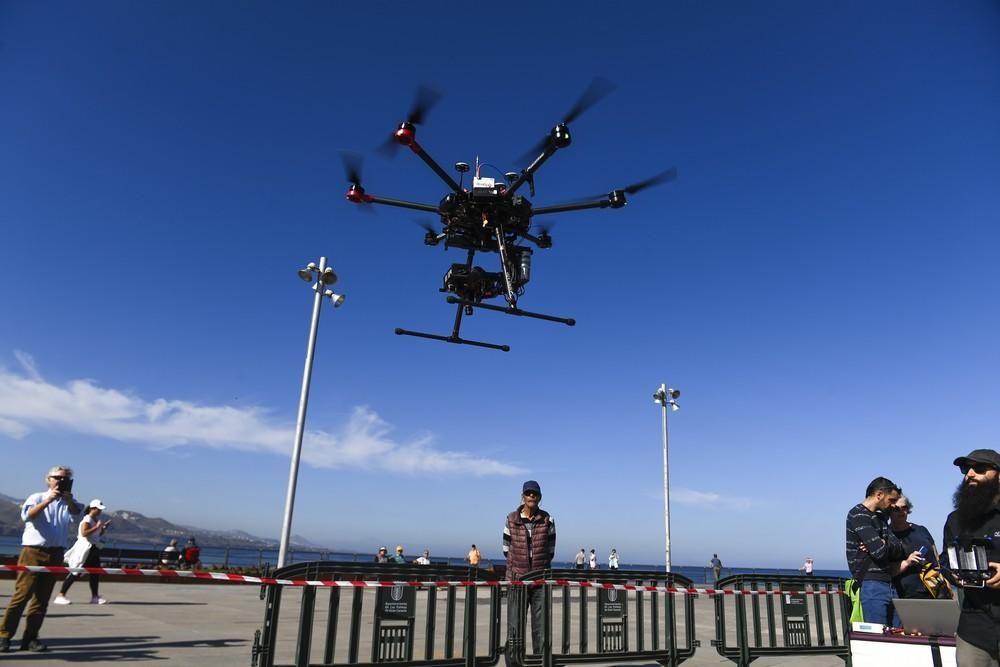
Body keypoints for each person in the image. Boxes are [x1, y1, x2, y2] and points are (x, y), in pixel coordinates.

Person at [0, 465, 82, 653]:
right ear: (48, 479)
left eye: (65, 479)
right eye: (57, 478)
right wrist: (48, 500)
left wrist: (68, 500)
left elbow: (77, 513)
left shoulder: (69, 502)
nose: (61, 482)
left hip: (56, 552)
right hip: (33, 551)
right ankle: (4, 635)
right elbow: (28, 516)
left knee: (42, 598)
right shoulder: (36, 497)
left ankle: (30, 638)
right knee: (22, 595)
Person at [944, 449, 1000, 664]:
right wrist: (953, 575)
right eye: (966, 469)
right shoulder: (955, 519)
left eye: (979, 468)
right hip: (974, 628)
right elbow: (945, 559)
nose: (970, 474)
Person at [846, 476, 917, 628]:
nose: (893, 506)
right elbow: (879, 551)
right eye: (891, 500)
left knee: (898, 636)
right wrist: (881, 545)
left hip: (889, 583)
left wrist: (883, 544)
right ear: (879, 495)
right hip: (871, 584)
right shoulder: (858, 515)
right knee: (879, 638)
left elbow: (900, 549)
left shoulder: (879, 518)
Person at [503, 480, 556, 656]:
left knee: (540, 625)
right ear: (523, 496)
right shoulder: (511, 519)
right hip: (517, 580)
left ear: (540, 497)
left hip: (540, 580)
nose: (531, 496)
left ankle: (539, 660)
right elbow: (506, 549)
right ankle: (515, 660)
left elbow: (550, 551)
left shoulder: (548, 520)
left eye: (535, 493)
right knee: (515, 624)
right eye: (528, 493)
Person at [53, 499, 109, 605]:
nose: (100, 511)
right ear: (92, 508)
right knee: (76, 572)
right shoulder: (87, 519)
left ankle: (95, 596)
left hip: (93, 549)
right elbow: (84, 533)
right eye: (98, 509)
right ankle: (61, 595)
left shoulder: (94, 519)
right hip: (85, 550)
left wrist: (103, 529)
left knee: (95, 573)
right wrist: (97, 527)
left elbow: (96, 535)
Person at [888, 495, 944, 599]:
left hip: (934, 591)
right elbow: (884, 571)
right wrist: (907, 562)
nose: (901, 511)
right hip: (904, 595)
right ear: (888, 511)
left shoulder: (921, 530)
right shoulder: (885, 535)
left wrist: (946, 584)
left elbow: (937, 560)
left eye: (904, 508)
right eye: (895, 509)